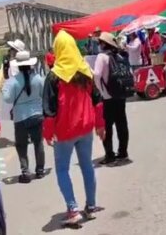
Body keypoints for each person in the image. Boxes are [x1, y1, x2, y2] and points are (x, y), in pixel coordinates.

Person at [42, 30, 106, 226]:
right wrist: (100, 125)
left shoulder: (54, 76)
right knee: (87, 166)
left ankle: (73, 210)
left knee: (62, 169)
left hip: (65, 131)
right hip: (86, 128)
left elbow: (49, 109)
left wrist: (47, 132)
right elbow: (97, 100)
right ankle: (92, 206)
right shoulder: (85, 71)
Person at [2, 50, 46, 183]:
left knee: (21, 145)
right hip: (37, 114)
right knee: (38, 143)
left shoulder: (12, 81)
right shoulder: (38, 78)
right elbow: (43, 94)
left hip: (20, 117)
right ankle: (40, 170)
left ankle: (25, 171)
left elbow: (8, 99)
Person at [94, 32, 130, 164]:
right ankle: (123, 152)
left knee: (107, 126)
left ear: (103, 44)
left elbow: (97, 74)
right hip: (121, 94)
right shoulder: (119, 55)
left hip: (108, 97)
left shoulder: (101, 57)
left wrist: (101, 90)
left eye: (100, 43)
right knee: (122, 124)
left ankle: (109, 154)